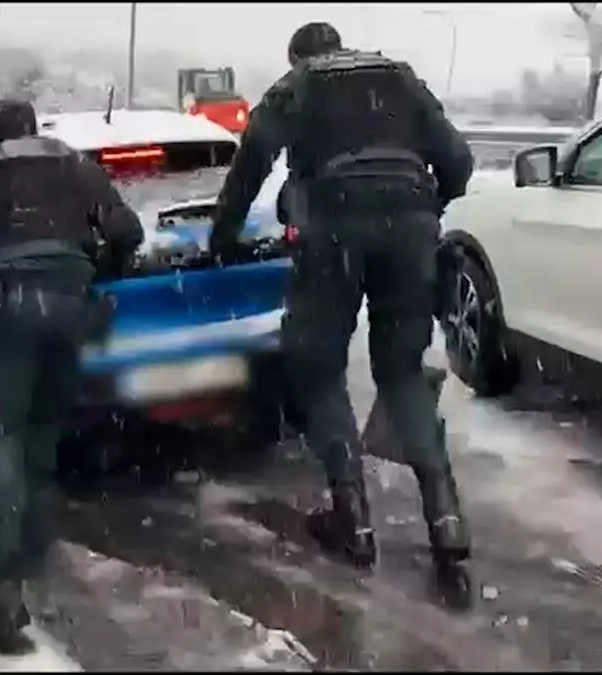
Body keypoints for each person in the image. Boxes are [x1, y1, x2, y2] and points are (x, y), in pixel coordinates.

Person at [207, 22, 476, 606]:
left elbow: (251, 161)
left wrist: (223, 236)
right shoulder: (398, 77)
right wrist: (422, 207)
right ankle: (445, 518)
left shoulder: (297, 85)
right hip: (410, 231)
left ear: (300, 55)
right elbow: (457, 159)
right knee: (402, 371)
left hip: (331, 232)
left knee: (317, 365)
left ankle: (351, 516)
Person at [0, 98, 143, 654]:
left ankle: (4, 589)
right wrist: (100, 273)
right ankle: (27, 533)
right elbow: (127, 229)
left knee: (0, 431)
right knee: (44, 427)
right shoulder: (75, 166)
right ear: (33, 128)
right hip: (72, 308)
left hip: (9, 311)